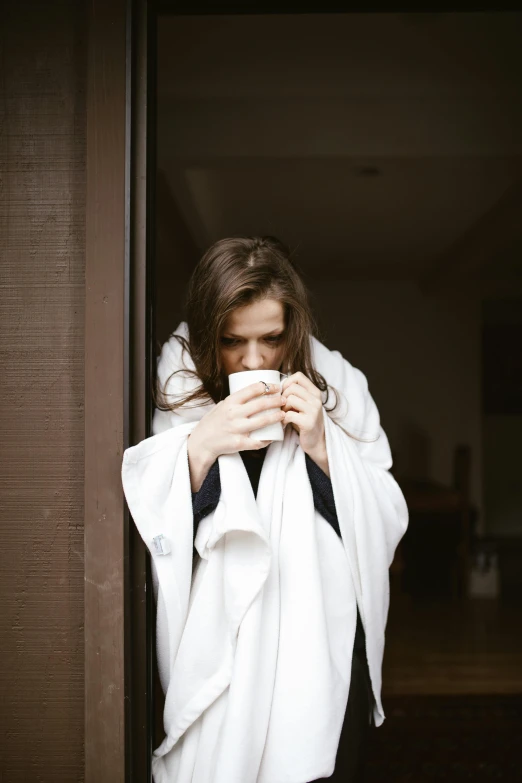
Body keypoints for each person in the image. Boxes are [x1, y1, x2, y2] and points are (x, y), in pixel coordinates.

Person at [122, 236, 408, 783]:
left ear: (293, 331)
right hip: (223, 644)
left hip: (319, 638)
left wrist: (325, 448)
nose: (254, 360)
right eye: (233, 341)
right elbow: (151, 517)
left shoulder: (341, 385)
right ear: (209, 334)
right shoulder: (176, 381)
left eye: (271, 339)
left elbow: (386, 514)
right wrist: (202, 446)